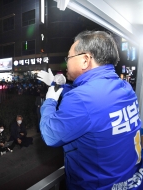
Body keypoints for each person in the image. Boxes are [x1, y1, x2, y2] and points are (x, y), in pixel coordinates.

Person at [38, 31, 142, 189]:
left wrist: (50, 100)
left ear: (85, 60)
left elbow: (50, 134)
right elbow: (92, 104)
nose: (66, 62)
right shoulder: (124, 87)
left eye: (69, 57)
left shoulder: (82, 98)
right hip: (131, 181)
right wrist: (56, 83)